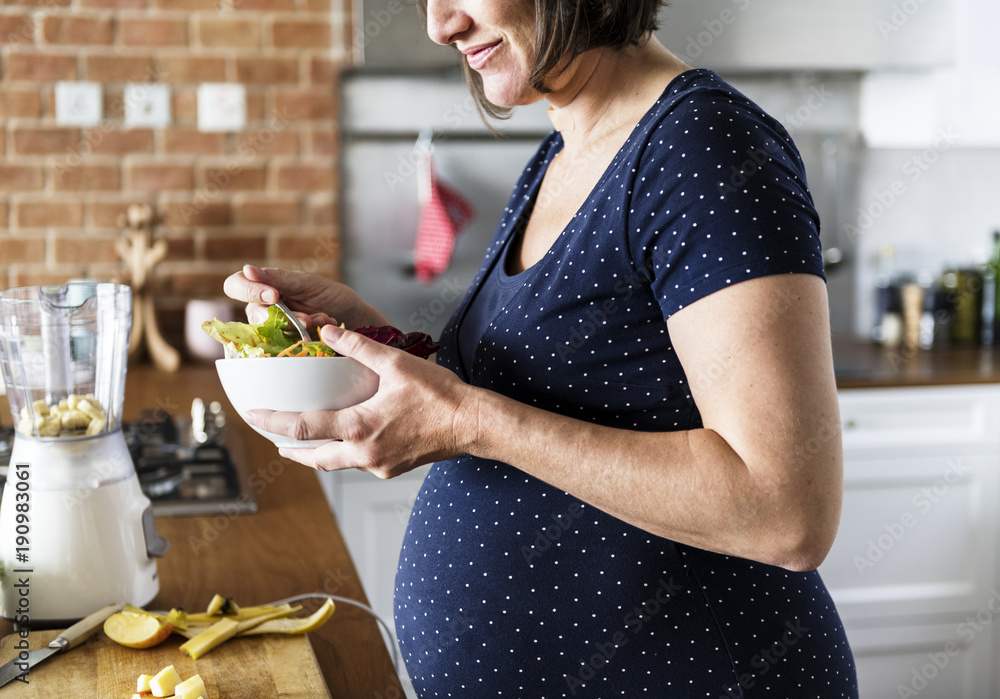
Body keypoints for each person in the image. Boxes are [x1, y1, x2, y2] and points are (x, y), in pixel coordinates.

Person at [224, 0, 859, 696]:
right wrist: (370, 342)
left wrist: (470, 420)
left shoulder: (704, 146)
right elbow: (552, 392)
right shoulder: (564, 152)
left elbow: (787, 509)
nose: (441, 25)